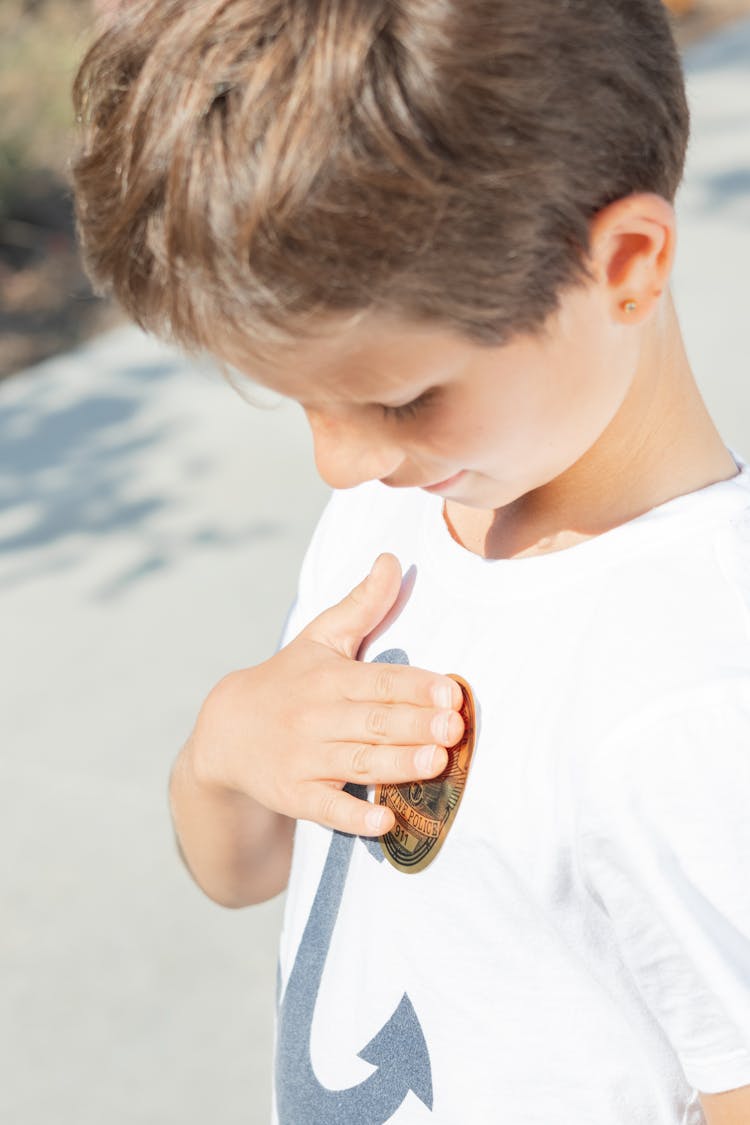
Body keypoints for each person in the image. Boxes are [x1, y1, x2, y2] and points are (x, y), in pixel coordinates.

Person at [71, 1, 750, 1121]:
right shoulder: (400, 519)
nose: (340, 463)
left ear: (626, 265)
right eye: (304, 405)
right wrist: (224, 749)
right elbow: (243, 871)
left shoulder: (690, 696)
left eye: (399, 398)